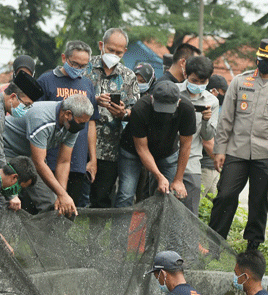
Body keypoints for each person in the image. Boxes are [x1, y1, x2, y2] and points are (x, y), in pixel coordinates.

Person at [210, 39, 268, 250]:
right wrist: (220, 150)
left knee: (258, 200)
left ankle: (252, 246)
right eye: (260, 58)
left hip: (267, 153)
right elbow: (226, 119)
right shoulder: (240, 81)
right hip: (236, 151)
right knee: (225, 195)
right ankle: (212, 242)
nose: (263, 62)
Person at [3, 94, 94, 217]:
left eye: (84, 123)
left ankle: (45, 236)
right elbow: (39, 163)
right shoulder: (42, 118)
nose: (82, 126)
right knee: (7, 200)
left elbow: (64, 161)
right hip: (6, 150)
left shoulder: (72, 125)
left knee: (52, 204)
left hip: (29, 155)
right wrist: (62, 194)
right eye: (80, 122)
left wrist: (61, 195)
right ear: (68, 114)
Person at [37, 40, 99, 209]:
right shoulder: (46, 80)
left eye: (83, 66)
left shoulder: (87, 84)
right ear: (64, 58)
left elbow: (91, 123)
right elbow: (36, 116)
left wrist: (92, 158)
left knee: (70, 209)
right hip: (49, 157)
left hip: (77, 158)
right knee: (47, 207)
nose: (78, 69)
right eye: (75, 64)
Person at [114, 80, 196, 208]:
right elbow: (142, 149)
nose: (163, 113)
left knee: (168, 193)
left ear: (178, 102)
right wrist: (158, 176)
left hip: (167, 152)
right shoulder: (140, 108)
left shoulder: (187, 109)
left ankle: (159, 227)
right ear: (152, 98)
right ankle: (120, 227)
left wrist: (178, 180)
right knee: (126, 193)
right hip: (133, 151)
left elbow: (186, 145)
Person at [84, 28, 140, 209]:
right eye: (110, 50)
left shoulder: (129, 76)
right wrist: (94, 101)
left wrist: (123, 113)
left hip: (110, 149)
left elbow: (136, 111)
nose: (114, 55)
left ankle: (95, 237)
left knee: (101, 200)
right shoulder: (85, 68)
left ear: (125, 51)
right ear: (101, 46)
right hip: (79, 145)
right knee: (76, 196)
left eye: (118, 52)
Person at [178, 56, 219, 215]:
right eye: (194, 81)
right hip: (167, 160)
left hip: (192, 162)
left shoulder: (212, 101)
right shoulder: (173, 91)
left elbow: (208, 136)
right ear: (186, 75)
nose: (198, 85)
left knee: (189, 214)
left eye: (203, 82)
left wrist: (206, 120)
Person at [201, 74, 228, 198]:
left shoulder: (218, 109)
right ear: (213, 91)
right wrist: (220, 162)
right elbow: (206, 141)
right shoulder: (207, 109)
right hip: (205, 166)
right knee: (197, 202)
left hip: (212, 167)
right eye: (223, 92)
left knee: (209, 206)